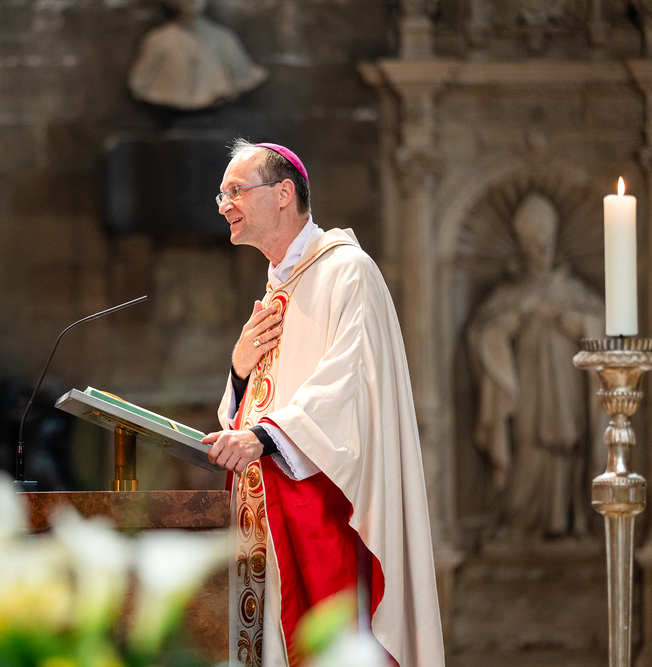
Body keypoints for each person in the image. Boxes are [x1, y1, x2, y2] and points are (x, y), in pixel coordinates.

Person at [202, 140, 444, 667]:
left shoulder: (347, 271)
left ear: (283, 193)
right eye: (221, 195)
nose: (224, 206)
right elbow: (264, 398)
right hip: (269, 517)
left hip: (325, 514)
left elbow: (348, 386)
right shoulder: (281, 284)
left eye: (235, 191)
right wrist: (239, 371)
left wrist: (262, 437)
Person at [467, 193, 603, 538]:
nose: (539, 251)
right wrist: (515, 318)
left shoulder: (573, 291)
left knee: (568, 444)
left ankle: (569, 520)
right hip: (527, 385)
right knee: (528, 443)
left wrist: (572, 320)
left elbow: (605, 328)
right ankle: (520, 520)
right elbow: (483, 332)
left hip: (568, 383)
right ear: (521, 245)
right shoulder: (511, 293)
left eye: (544, 243)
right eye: (532, 244)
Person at [127, 0, 267, 111]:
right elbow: (138, 83)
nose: (193, 1)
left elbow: (245, 77)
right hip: (164, 118)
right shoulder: (158, 40)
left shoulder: (223, 39)